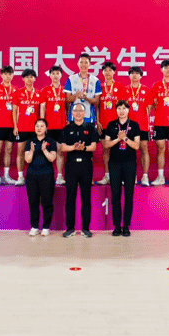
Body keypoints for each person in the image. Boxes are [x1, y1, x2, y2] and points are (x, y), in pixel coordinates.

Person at [60, 102, 98, 238]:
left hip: (86, 166)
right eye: (75, 111)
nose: (78, 113)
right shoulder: (67, 128)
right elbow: (63, 147)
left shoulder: (91, 128)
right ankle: (70, 228)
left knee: (86, 197)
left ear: (84, 113)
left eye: (80, 111)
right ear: (72, 113)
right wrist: (74, 147)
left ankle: (85, 228)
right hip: (71, 166)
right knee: (70, 197)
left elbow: (93, 146)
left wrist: (84, 148)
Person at [104, 100, 141, 236]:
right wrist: (117, 139)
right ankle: (116, 226)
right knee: (115, 195)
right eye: (119, 108)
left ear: (128, 110)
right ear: (116, 110)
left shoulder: (135, 125)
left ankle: (126, 226)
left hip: (129, 163)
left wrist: (125, 139)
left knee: (129, 195)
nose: (121, 111)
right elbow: (106, 144)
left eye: (124, 108)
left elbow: (136, 146)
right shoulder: (111, 125)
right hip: (114, 164)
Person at [65, 53, 102, 184]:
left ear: (90, 64)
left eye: (86, 62)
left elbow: (96, 101)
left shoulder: (95, 80)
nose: (84, 65)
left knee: (88, 150)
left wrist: (86, 98)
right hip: (74, 119)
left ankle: (89, 177)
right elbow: (68, 99)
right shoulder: (71, 79)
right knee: (72, 147)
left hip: (89, 119)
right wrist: (76, 95)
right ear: (78, 64)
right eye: (81, 62)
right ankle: (72, 176)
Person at [23, 118, 57, 237]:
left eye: (42, 126)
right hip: (32, 175)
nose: (39, 128)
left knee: (47, 201)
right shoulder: (30, 142)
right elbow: (27, 160)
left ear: (46, 128)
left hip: (46, 175)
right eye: (37, 126)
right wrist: (32, 151)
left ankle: (46, 227)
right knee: (33, 201)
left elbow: (52, 158)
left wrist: (44, 150)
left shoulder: (51, 141)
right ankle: (34, 226)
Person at [96, 62, 127, 187]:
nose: (108, 72)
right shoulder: (99, 87)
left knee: (119, 150)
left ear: (114, 72)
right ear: (102, 72)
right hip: (103, 124)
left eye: (110, 70)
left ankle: (120, 176)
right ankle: (107, 175)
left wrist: (122, 123)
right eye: (105, 70)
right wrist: (98, 121)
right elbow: (97, 106)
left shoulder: (119, 86)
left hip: (116, 124)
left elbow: (123, 107)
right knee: (106, 150)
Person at [12, 69, 43, 187]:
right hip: (22, 128)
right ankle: (20, 177)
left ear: (35, 78)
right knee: (20, 152)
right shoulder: (18, 93)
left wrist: (42, 127)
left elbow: (42, 112)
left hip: (36, 130)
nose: (29, 79)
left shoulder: (39, 93)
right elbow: (14, 111)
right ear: (23, 79)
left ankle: (35, 176)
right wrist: (15, 126)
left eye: (31, 77)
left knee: (36, 153)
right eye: (27, 77)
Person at [0, 66, 18, 186]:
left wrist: (16, 126)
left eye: (10, 74)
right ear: (1, 75)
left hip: (11, 125)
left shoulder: (15, 90)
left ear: (13, 75)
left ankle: (6, 176)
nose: (7, 76)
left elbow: (17, 109)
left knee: (9, 150)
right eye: (5, 74)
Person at [126, 66, 154, 186]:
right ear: (129, 76)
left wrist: (142, 119)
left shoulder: (146, 90)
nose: (134, 75)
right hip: (128, 126)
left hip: (142, 125)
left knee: (144, 149)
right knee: (129, 151)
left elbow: (149, 108)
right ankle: (132, 176)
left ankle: (145, 176)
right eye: (132, 73)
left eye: (137, 73)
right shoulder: (125, 90)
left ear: (141, 76)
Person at [40, 65, 69, 185]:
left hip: (62, 126)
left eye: (58, 73)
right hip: (49, 127)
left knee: (60, 152)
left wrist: (68, 121)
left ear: (61, 75)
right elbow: (42, 108)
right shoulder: (45, 90)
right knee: (48, 152)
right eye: (53, 73)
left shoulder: (65, 90)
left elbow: (68, 107)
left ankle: (60, 176)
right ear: (50, 75)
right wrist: (42, 124)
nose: (55, 76)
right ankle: (47, 175)